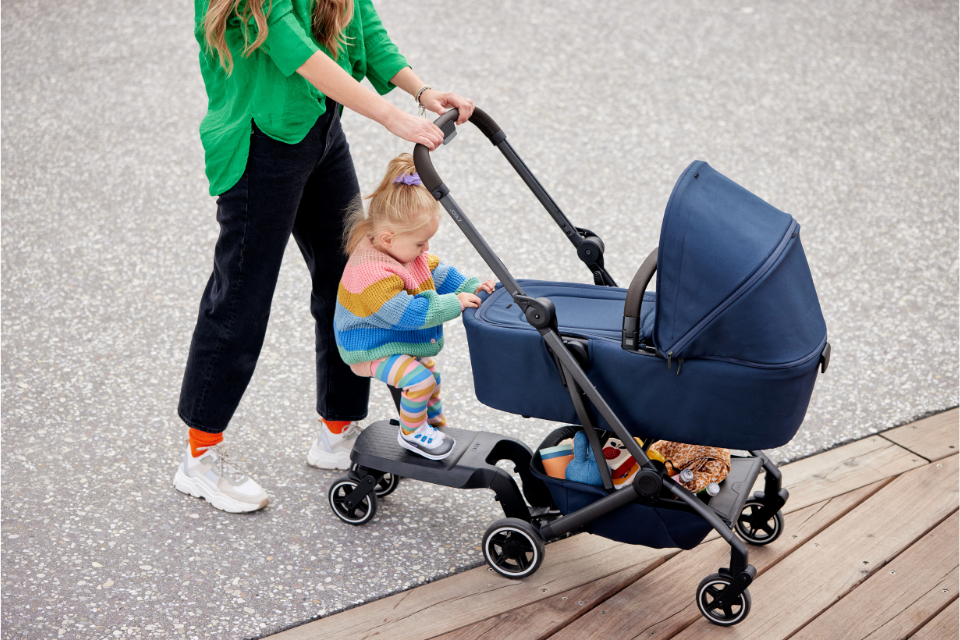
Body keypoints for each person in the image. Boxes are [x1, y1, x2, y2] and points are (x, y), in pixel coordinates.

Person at [174, 0, 475, 514]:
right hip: (259, 141)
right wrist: (393, 117)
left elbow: (364, 28)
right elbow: (298, 51)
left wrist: (422, 91)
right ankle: (200, 459)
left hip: (320, 130)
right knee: (242, 299)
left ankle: (337, 431)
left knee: (351, 279)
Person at [335, 154, 495, 459]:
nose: (426, 249)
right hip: (370, 347)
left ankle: (432, 424)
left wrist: (468, 286)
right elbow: (409, 314)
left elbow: (435, 271)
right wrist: (455, 303)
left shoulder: (402, 250)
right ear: (387, 237)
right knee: (418, 380)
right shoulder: (372, 274)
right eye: (420, 243)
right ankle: (412, 433)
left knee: (430, 376)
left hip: (390, 339)